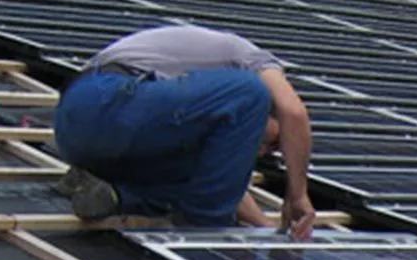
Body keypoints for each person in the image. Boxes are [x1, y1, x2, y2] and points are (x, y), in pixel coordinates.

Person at [53, 24, 316, 239]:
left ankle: (111, 191)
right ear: (273, 113)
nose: (261, 151)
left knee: (199, 178)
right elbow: (293, 112)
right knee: (248, 94)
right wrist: (297, 195)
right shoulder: (252, 62)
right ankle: (205, 234)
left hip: (78, 130)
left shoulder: (201, 111)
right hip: (104, 99)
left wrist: (266, 228)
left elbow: (221, 184)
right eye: (273, 142)